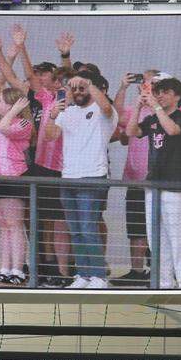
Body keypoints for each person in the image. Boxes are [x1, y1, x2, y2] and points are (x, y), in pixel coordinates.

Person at [12, 26, 73, 287]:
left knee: (59, 222)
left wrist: (65, 55)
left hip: (63, 167)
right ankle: (46, 269)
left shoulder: (71, 96)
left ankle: (62, 272)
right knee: (44, 220)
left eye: (53, 75)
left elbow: (70, 77)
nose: (49, 79)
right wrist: (22, 47)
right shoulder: (45, 97)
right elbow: (29, 77)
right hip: (41, 165)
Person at [44, 74, 116, 289]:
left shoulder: (102, 112)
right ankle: (83, 274)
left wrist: (87, 83)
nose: (77, 92)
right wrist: (51, 115)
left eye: (81, 89)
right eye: (74, 89)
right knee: (74, 230)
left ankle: (99, 276)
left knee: (88, 228)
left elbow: (107, 108)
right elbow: (50, 135)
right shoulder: (68, 112)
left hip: (92, 176)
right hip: (68, 177)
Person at [126, 75, 181, 289]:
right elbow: (131, 132)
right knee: (156, 236)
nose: (160, 96)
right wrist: (138, 107)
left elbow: (173, 130)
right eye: (158, 92)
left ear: (177, 96)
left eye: (165, 92)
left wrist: (155, 105)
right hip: (152, 184)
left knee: (178, 236)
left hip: (174, 184)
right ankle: (163, 282)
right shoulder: (152, 118)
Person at [0, 90, 34, 285]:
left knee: (14, 225)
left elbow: (6, 129)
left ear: (14, 105)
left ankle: (18, 270)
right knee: (3, 227)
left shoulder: (22, 123)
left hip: (12, 179)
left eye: (2, 102)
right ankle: (3, 268)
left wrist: (14, 111)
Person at [112, 70, 158, 285]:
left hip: (159, 180)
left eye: (147, 80)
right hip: (135, 178)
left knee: (158, 227)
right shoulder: (134, 109)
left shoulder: (171, 109)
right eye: (142, 82)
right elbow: (117, 115)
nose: (143, 84)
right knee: (136, 226)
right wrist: (122, 87)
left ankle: (159, 269)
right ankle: (137, 271)